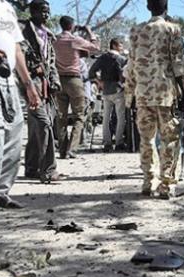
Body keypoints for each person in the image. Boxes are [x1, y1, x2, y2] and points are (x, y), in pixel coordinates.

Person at [124, 0, 184, 199]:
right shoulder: (173, 30)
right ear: (166, 7)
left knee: (146, 139)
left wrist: (130, 95)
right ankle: (166, 184)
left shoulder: (136, 31)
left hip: (143, 94)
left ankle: (147, 181)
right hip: (165, 95)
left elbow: (131, 66)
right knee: (169, 139)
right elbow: (178, 65)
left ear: (148, 7)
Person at [0, 0, 41, 216]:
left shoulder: (7, 8)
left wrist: (29, 85)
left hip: (9, 82)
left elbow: (16, 47)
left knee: (14, 135)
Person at [19, 0, 62, 183]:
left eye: (48, 11)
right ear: (33, 12)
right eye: (43, 11)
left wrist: (54, 80)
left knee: (36, 126)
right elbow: (18, 55)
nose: (46, 15)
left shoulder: (47, 34)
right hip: (29, 83)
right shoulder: (23, 31)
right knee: (45, 124)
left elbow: (50, 61)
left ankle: (31, 168)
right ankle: (49, 169)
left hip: (45, 85)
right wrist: (31, 70)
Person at [53, 15, 100, 159]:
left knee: (61, 117)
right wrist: (90, 32)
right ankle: (71, 148)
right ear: (72, 26)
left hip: (59, 80)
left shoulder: (54, 39)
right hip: (74, 79)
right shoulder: (74, 40)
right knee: (80, 116)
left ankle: (62, 149)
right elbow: (95, 48)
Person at [89, 38, 127, 152]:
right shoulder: (121, 59)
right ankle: (119, 142)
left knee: (106, 117)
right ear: (114, 46)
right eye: (120, 45)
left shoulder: (102, 58)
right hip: (118, 90)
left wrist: (99, 82)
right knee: (121, 117)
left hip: (105, 91)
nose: (122, 48)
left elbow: (91, 72)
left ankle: (107, 143)